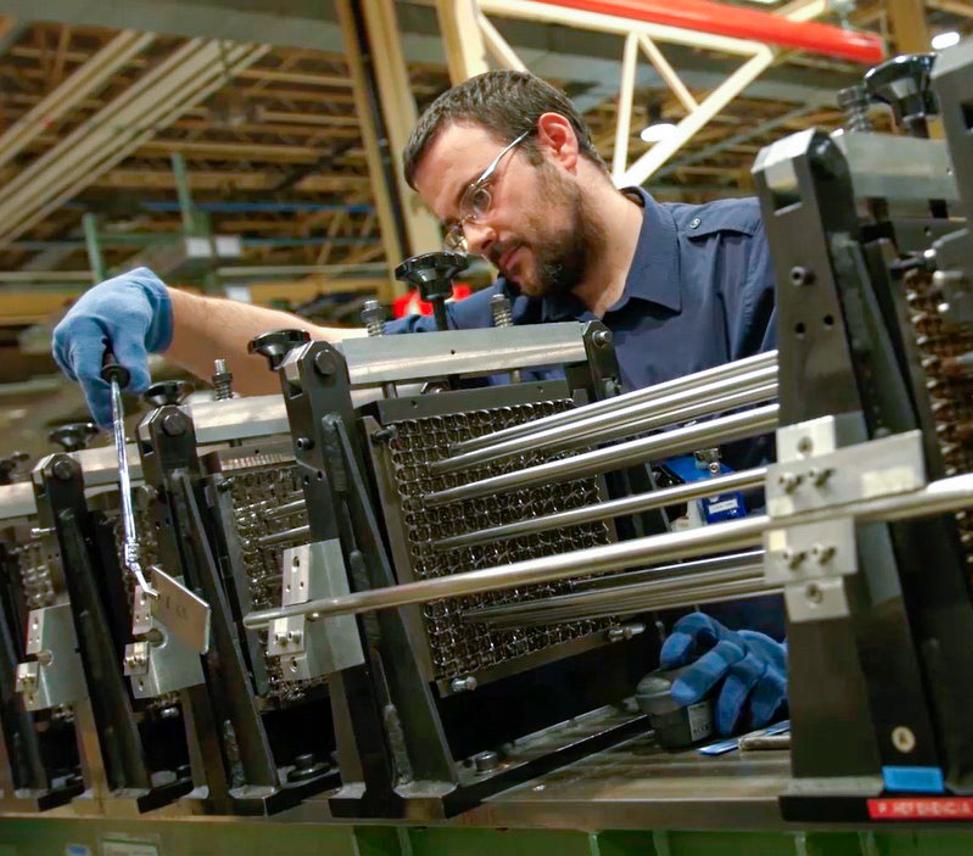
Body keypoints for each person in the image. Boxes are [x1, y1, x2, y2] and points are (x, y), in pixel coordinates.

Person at [50, 70, 785, 736]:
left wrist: (808, 650)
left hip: (819, 698)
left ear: (556, 142)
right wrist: (166, 312)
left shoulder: (756, 262)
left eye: (478, 197)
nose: (474, 238)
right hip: (633, 725)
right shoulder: (503, 330)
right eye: (455, 224)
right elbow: (319, 362)